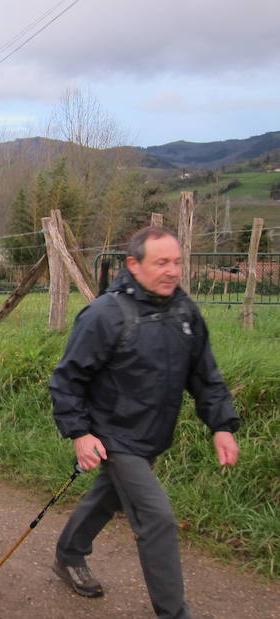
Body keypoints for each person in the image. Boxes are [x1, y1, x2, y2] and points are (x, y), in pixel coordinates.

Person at [49, 226, 240, 619]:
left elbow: (205, 374)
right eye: (161, 262)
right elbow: (68, 379)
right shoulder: (106, 314)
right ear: (134, 265)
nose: (172, 271)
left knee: (109, 496)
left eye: (176, 262)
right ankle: (174, 613)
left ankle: (69, 554)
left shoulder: (184, 311)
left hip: (152, 433)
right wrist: (80, 433)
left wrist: (221, 425)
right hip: (114, 435)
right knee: (157, 519)